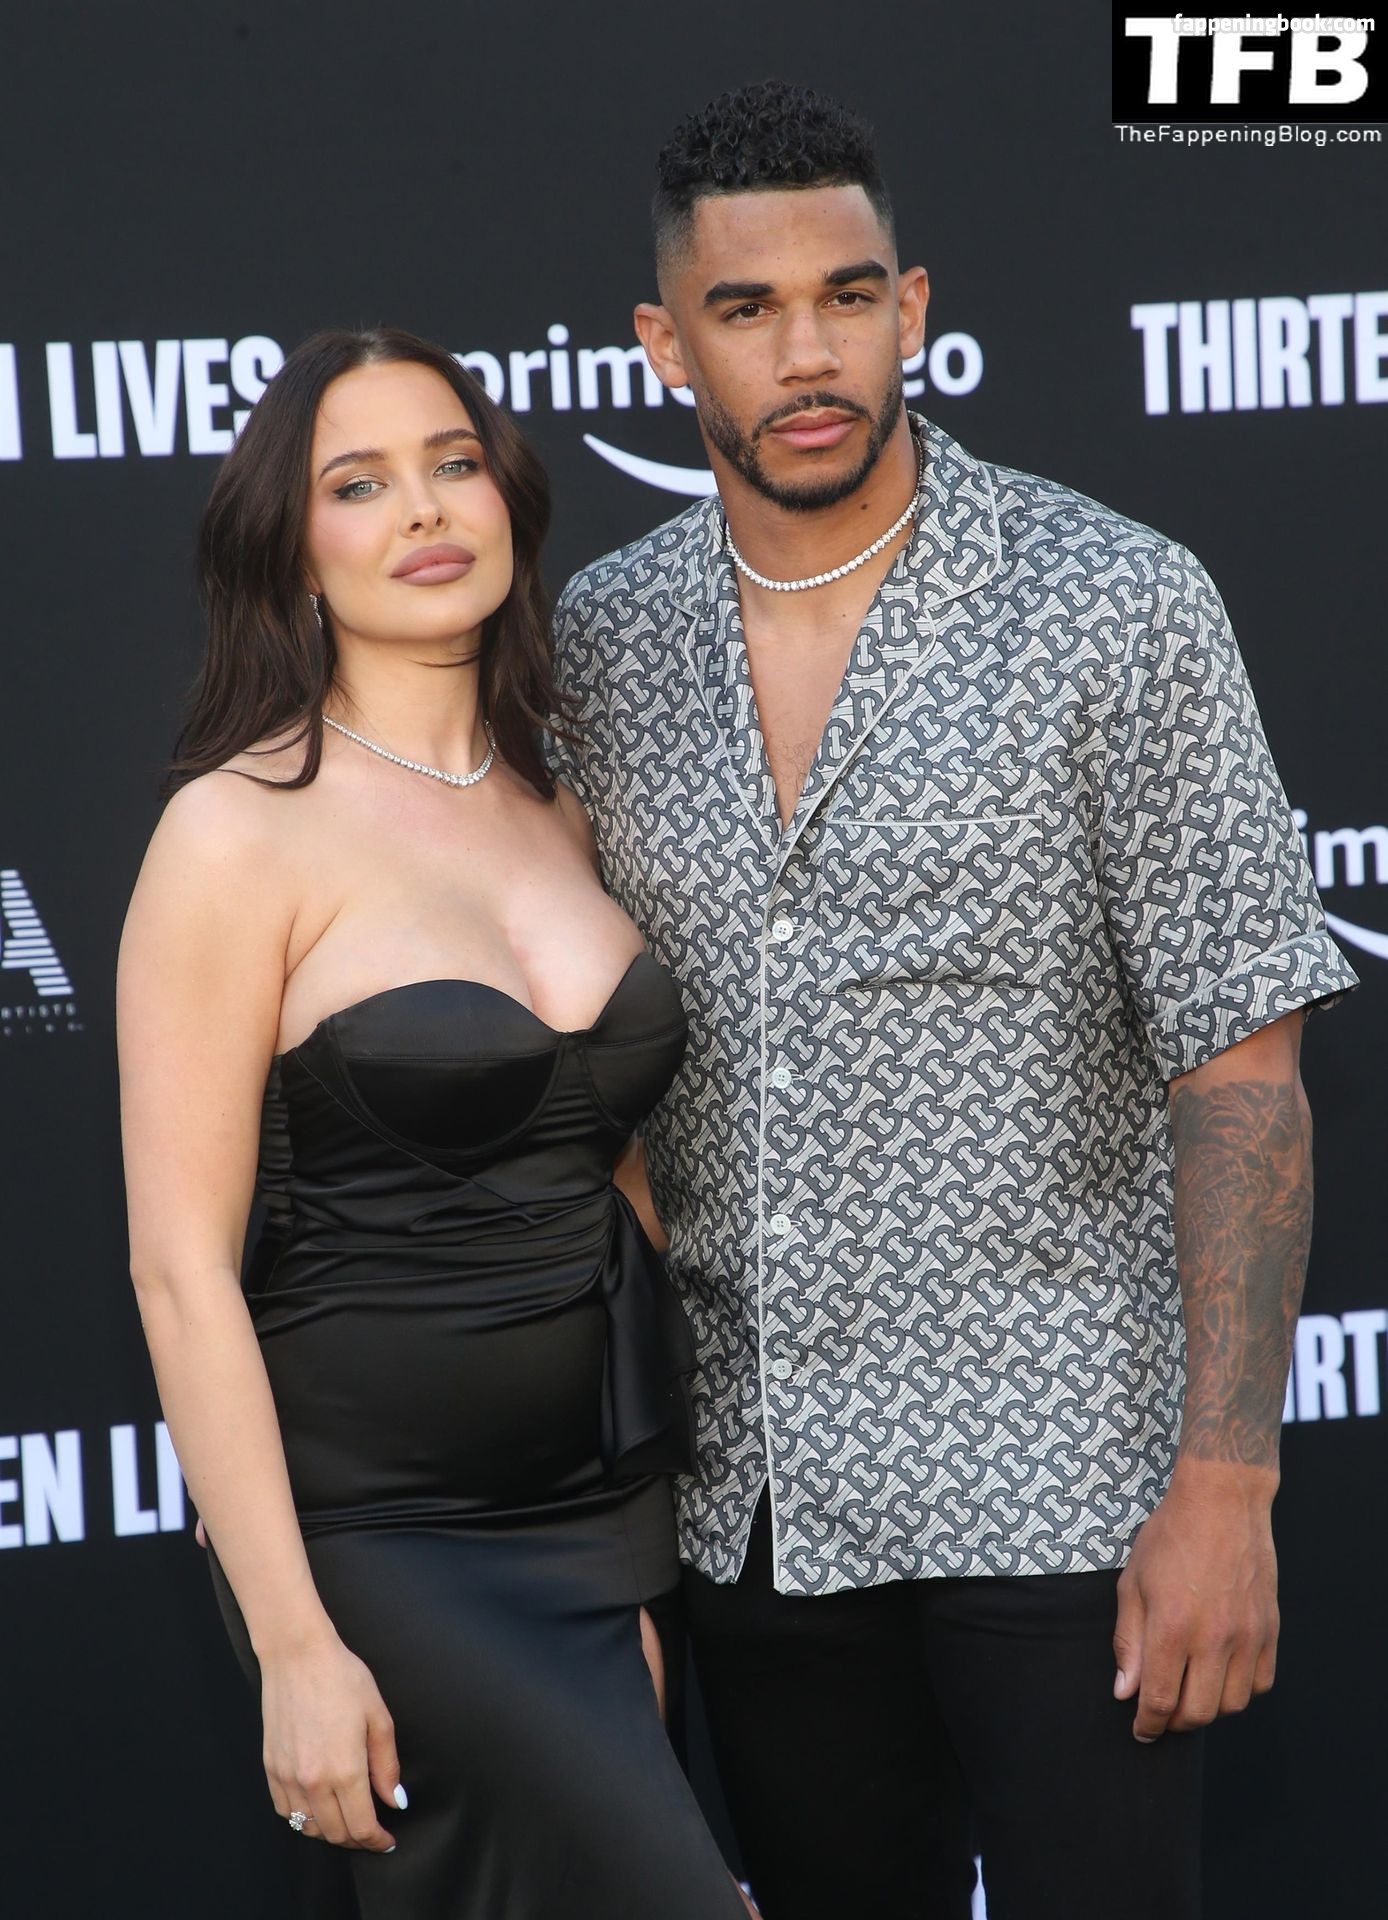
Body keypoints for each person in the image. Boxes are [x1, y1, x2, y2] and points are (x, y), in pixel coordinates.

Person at [546, 80, 1362, 1920]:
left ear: (911, 308)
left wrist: (1228, 1487)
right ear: (664, 347)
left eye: (848, 297)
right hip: (759, 1503)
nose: (807, 354)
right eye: (748, 310)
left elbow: (1243, 1072)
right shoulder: (600, 641)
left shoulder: (1116, 605)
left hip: (1069, 1484)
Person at [117, 325, 754, 1918]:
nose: (422, 508)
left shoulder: (564, 801)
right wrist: (292, 1644)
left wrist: (650, 1522)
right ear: (292, 548)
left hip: (605, 1509)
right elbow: (182, 1272)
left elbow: (607, 1159)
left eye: (453, 463)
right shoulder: (234, 831)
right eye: (358, 483)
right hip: (382, 1539)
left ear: (507, 496)